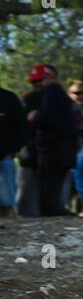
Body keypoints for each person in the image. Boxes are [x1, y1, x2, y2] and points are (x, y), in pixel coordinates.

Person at [25, 64, 78, 216]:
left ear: (48, 78)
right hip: (61, 150)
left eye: (39, 81)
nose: (36, 85)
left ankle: (57, 219)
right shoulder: (58, 95)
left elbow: (49, 119)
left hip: (54, 151)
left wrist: (35, 116)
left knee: (48, 195)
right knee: (52, 192)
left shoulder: (52, 92)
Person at [0, 81, 27, 216]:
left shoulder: (8, 98)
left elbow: (22, 127)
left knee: (6, 201)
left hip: (4, 158)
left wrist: (13, 150)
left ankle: (9, 229)